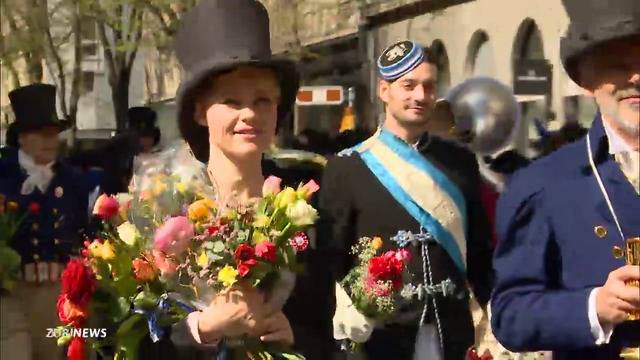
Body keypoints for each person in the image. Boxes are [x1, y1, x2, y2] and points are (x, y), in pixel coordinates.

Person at [163, 1, 334, 359]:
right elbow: (129, 335)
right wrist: (203, 328)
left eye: (262, 101)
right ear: (198, 111)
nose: (249, 114)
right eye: (231, 101)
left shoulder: (308, 209)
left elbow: (329, 330)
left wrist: (296, 336)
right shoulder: (166, 210)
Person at [318, 40, 493, 359]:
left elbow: (480, 253)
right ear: (385, 91)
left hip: (451, 331)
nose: (420, 96)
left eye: (428, 86)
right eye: (408, 85)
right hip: (381, 339)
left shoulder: (460, 162)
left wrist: (497, 320)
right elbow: (332, 260)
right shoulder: (348, 167)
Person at [491, 0, 640, 358]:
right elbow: (510, 315)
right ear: (586, 81)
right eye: (616, 67)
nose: (635, 77)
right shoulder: (541, 184)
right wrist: (595, 308)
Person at [0, 83, 90, 360]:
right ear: (23, 138)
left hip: (56, 294)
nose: (52, 141)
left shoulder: (73, 179)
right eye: (43, 134)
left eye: (54, 134)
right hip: (11, 293)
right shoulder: (3, 175)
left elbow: (84, 233)